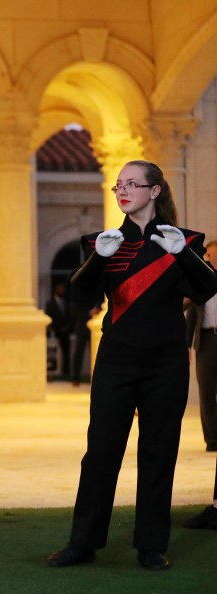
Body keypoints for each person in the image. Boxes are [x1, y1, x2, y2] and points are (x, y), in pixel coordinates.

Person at [47, 160, 217, 571]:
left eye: (131, 184)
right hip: (117, 359)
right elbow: (77, 295)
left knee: (159, 452)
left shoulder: (187, 241)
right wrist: (96, 261)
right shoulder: (100, 242)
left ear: (155, 191)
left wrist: (185, 255)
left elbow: (208, 288)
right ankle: (82, 543)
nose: (122, 191)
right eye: (117, 185)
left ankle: (151, 545)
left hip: (166, 361)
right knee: (101, 452)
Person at [185, 240, 217, 452]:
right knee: (206, 390)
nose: (214, 260)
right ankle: (212, 439)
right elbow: (189, 314)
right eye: (210, 256)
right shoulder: (200, 281)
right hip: (205, 340)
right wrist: (186, 345)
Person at [45, 281, 73, 379]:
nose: (61, 290)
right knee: (54, 354)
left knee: (66, 353)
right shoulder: (50, 303)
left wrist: (67, 328)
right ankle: (53, 373)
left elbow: (70, 317)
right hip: (55, 333)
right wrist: (54, 329)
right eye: (59, 288)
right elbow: (48, 317)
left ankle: (66, 372)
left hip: (65, 332)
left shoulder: (67, 303)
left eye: (63, 288)